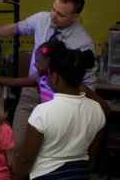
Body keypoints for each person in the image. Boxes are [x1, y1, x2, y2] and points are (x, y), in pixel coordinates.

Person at [0, 0, 105, 151]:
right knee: (18, 144)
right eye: (53, 9)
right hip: (31, 90)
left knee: (45, 147)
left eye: (61, 15)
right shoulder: (41, 19)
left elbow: (89, 86)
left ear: (75, 17)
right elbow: (14, 28)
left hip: (57, 100)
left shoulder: (84, 42)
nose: (53, 16)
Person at [12, 47, 106, 180]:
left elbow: (27, 158)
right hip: (80, 174)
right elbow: (93, 152)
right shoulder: (97, 109)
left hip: (46, 175)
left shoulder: (43, 111)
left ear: (55, 77)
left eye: (49, 74)